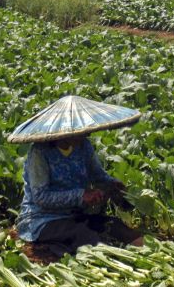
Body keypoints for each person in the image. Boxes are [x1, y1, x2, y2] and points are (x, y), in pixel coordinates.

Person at [8, 95, 145, 257]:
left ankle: (148, 253)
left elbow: (98, 175)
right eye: (80, 131)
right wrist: (82, 196)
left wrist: (113, 184)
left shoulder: (84, 146)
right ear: (65, 131)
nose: (86, 134)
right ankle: (116, 261)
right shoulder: (40, 153)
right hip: (44, 220)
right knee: (85, 236)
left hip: (75, 215)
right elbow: (41, 197)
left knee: (114, 225)